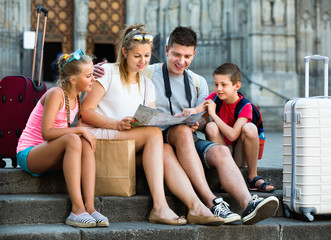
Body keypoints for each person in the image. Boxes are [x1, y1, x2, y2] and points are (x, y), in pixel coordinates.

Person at [94, 26, 279, 225]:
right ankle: (213, 202)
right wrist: (97, 68)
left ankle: (248, 203)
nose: (181, 61)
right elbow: (125, 67)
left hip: (188, 140)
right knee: (181, 131)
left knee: (220, 152)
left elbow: (203, 121)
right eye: (176, 54)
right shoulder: (146, 71)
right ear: (166, 50)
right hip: (156, 139)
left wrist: (196, 123)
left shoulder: (198, 82)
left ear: (194, 54)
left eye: (187, 56)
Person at [81, 24, 223, 226]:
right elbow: (84, 112)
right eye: (137, 56)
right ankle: (159, 206)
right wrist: (116, 124)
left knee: (164, 148)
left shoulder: (147, 83)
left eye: (147, 56)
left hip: (127, 144)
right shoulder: (107, 73)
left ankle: (196, 206)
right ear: (124, 52)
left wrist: (172, 120)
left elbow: (150, 117)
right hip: (100, 138)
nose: (143, 61)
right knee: (154, 135)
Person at [16, 49, 109, 228]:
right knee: (75, 138)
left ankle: (90, 207)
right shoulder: (56, 94)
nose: (93, 79)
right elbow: (47, 133)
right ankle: (76, 209)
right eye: (89, 76)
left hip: (51, 152)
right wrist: (78, 132)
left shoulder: (77, 95)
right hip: (30, 153)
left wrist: (81, 134)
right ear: (73, 80)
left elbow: (68, 134)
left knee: (85, 141)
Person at [200, 63, 275, 192]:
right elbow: (198, 110)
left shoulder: (246, 106)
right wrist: (185, 114)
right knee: (210, 126)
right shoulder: (215, 97)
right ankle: (227, 176)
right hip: (224, 153)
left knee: (250, 128)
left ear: (237, 86)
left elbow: (233, 135)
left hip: (240, 154)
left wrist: (213, 114)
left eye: (224, 85)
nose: (218, 89)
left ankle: (252, 177)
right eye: (216, 84)